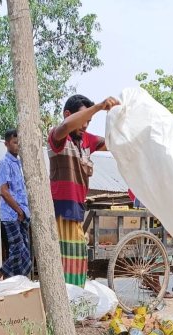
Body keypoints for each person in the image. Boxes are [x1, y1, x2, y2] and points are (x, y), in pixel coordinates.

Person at [49, 94, 120, 287]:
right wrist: (98, 107)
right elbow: (65, 126)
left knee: (78, 258)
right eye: (82, 119)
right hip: (62, 210)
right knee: (70, 260)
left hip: (77, 209)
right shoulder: (58, 136)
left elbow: (113, 143)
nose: (85, 125)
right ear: (67, 114)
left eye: (88, 121)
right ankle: (72, 305)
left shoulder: (87, 140)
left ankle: (75, 302)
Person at [0, 129, 32, 279]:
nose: (18, 146)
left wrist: (24, 212)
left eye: (20, 143)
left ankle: (15, 282)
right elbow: (4, 191)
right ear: (6, 143)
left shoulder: (21, 164)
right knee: (18, 251)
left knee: (25, 258)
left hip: (23, 214)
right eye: (15, 143)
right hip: (11, 215)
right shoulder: (4, 163)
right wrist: (18, 211)